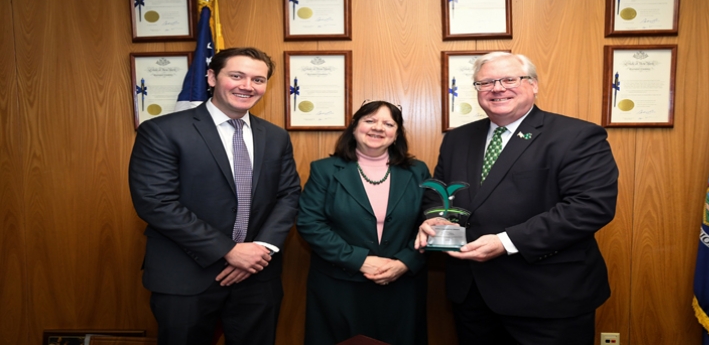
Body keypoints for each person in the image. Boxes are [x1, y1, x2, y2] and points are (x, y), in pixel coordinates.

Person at [415, 52, 619, 345]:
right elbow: (440, 196)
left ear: (533, 84)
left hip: (547, 298)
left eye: (509, 79)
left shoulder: (576, 135)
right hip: (472, 295)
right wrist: (435, 218)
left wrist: (505, 242)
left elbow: (589, 208)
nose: (497, 88)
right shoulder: (457, 139)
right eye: (485, 82)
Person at [128, 47, 301, 345]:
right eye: (236, 76)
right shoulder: (162, 131)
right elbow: (155, 202)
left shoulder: (276, 137)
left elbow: (289, 196)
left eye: (258, 79)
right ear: (211, 77)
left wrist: (260, 249)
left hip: (257, 277)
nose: (247, 86)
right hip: (185, 275)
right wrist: (228, 250)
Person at [297, 100, 430, 345]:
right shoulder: (324, 170)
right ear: (354, 127)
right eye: (369, 120)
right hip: (339, 287)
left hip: (401, 285)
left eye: (388, 123)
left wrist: (404, 262)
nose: (378, 128)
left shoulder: (417, 171)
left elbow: (431, 223)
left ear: (397, 133)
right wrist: (359, 260)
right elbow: (310, 223)